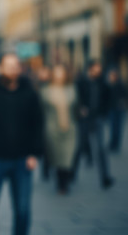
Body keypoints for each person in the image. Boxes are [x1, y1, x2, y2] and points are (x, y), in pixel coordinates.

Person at [0, 53, 43, 235]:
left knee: (23, 209)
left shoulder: (29, 92)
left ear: (20, 68)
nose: (12, 69)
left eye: (15, 65)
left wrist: (34, 153)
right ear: (1, 68)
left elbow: (37, 123)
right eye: (8, 65)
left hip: (23, 160)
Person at [72, 60, 114, 189]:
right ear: (90, 68)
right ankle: (72, 173)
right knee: (78, 147)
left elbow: (108, 98)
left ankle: (105, 177)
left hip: (98, 118)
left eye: (100, 68)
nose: (99, 70)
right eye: (96, 68)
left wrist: (103, 113)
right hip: (84, 119)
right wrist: (80, 109)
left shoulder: (102, 83)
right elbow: (75, 99)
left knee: (101, 148)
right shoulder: (80, 82)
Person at [40, 65, 77, 194]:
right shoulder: (45, 91)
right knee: (56, 158)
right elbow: (41, 112)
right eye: (57, 73)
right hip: (52, 129)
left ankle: (65, 183)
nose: (59, 76)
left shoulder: (71, 90)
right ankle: (60, 182)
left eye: (62, 73)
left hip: (69, 129)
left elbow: (76, 108)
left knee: (67, 157)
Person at [106, 68, 127, 153]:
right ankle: (112, 143)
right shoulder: (109, 85)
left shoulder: (120, 85)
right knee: (112, 127)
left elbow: (125, 96)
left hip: (119, 110)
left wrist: (123, 103)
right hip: (112, 109)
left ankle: (116, 145)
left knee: (118, 128)